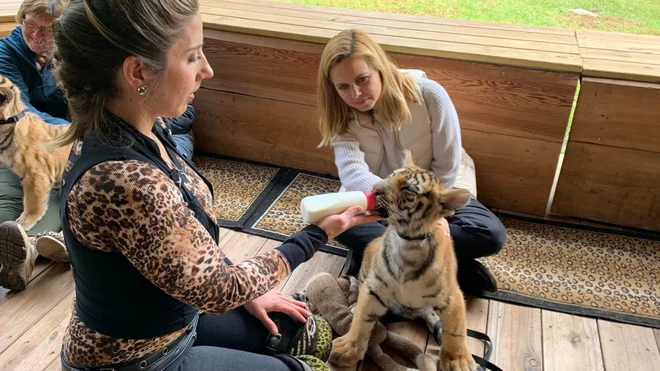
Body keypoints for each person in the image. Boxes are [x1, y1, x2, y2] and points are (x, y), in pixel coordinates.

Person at [52, 1, 379, 370]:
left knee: (306, 332)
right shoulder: (123, 179)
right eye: (193, 57)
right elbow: (221, 290)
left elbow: (182, 250)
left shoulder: (142, 128)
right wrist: (315, 235)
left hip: (184, 316)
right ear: (138, 71)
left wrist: (240, 292)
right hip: (138, 359)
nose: (208, 69)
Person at [0, 0, 198, 292]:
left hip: (88, 141)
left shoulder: (82, 52)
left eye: (48, 30)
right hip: (41, 142)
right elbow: (20, 116)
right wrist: (73, 133)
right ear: (21, 18)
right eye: (30, 24)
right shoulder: (6, 54)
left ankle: (54, 243)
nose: (38, 35)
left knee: (83, 187)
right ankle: (43, 244)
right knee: (13, 196)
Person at [317, 29, 507, 296]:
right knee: (331, 221)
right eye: (343, 87)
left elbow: (447, 167)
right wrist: (400, 211)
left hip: (434, 197)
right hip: (374, 200)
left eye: (363, 79)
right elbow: (353, 174)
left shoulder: (430, 94)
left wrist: (427, 214)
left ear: (380, 68)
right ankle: (450, 270)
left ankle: (385, 265)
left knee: (490, 233)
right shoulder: (339, 115)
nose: (356, 94)